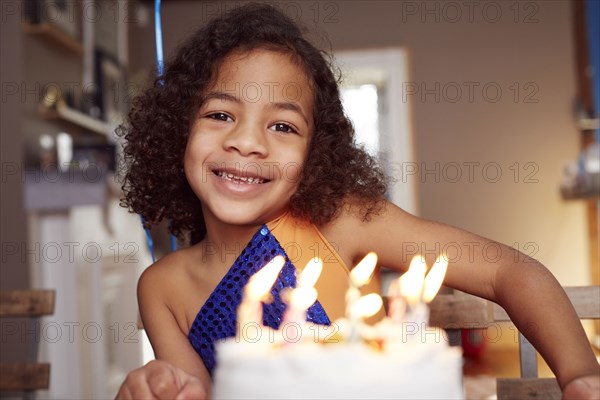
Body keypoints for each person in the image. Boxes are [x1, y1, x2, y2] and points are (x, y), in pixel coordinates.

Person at [115, 3, 599, 399]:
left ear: (316, 152)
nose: (248, 142)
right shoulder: (161, 288)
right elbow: (191, 394)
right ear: (177, 130)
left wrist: (581, 376)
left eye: (282, 125)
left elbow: (507, 270)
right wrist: (154, 391)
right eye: (221, 114)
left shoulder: (340, 222)